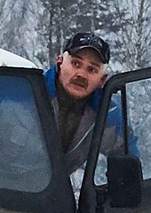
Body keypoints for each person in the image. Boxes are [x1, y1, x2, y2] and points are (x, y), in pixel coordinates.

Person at [45, 30, 127, 185]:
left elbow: (125, 155)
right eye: (76, 63)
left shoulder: (105, 115)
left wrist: (122, 188)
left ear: (102, 80)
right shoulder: (29, 94)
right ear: (60, 62)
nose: (81, 74)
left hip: (51, 197)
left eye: (92, 70)